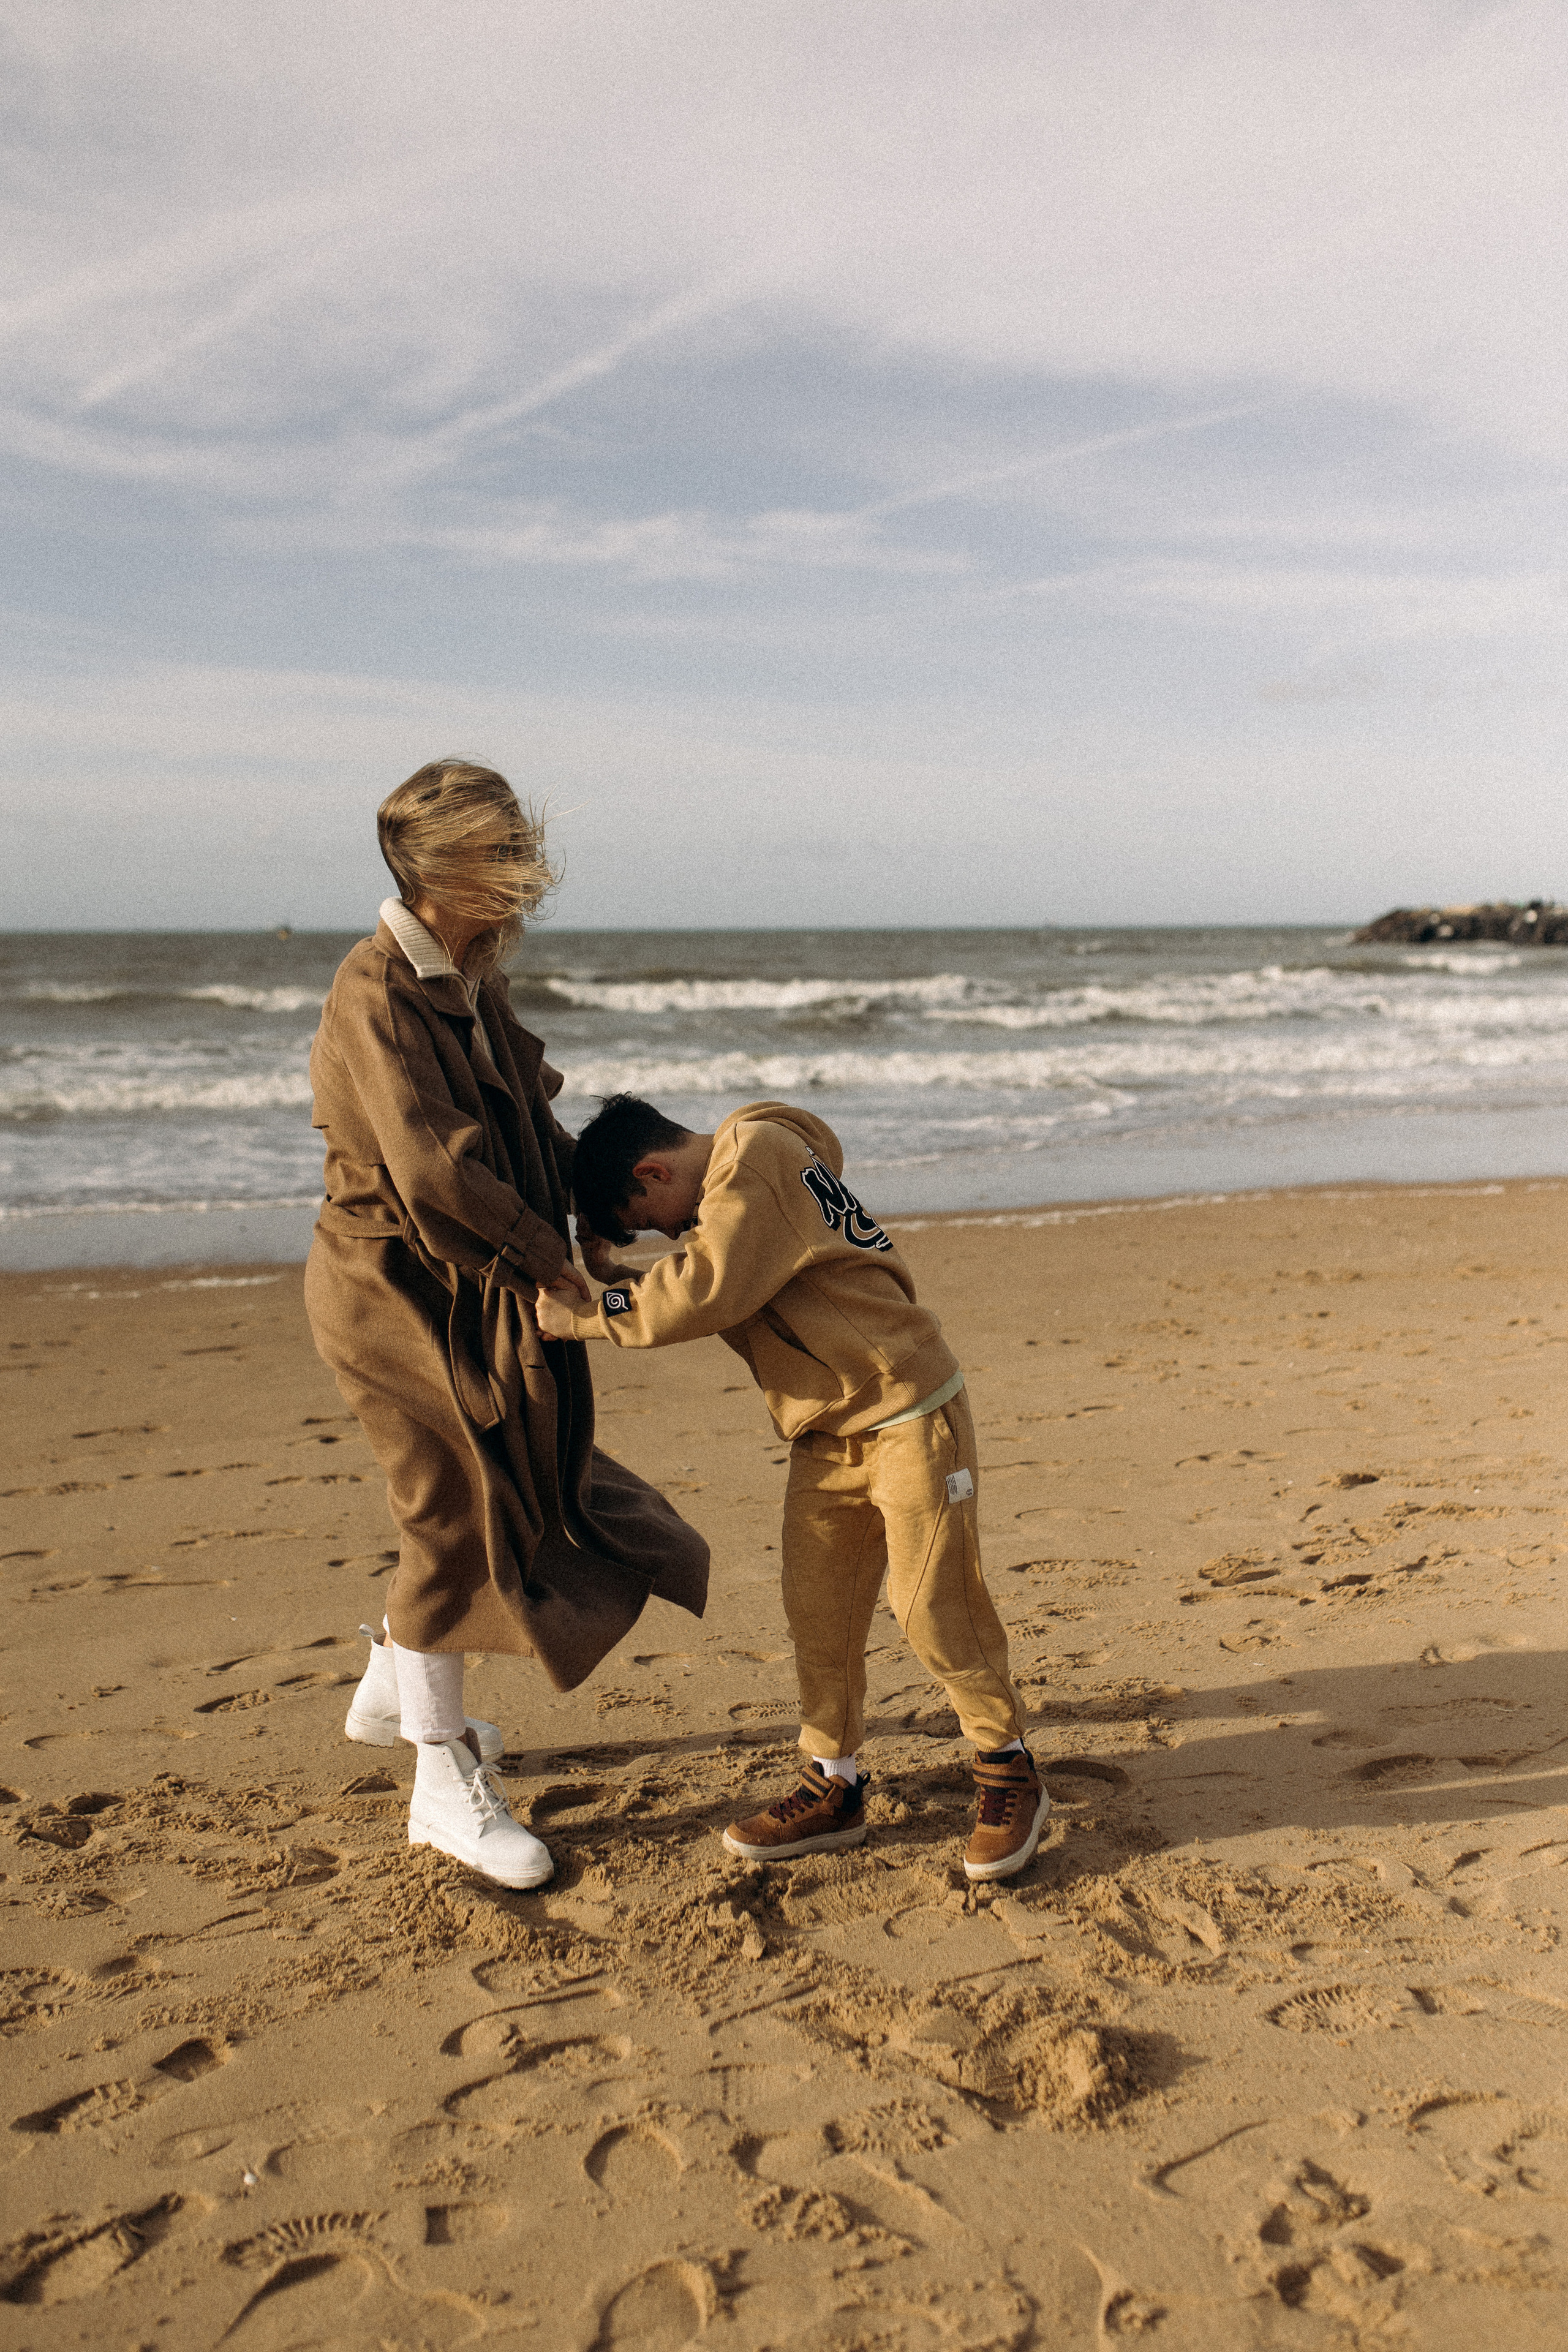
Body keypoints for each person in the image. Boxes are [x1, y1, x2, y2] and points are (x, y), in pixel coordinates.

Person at [304, 766, 709, 1891]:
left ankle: (398, 1678)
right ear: (445, 873)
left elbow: (527, 1114)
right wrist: (547, 1262)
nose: (525, 876)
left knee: (508, 1475)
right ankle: (441, 1779)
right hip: (394, 1290)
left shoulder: (467, 977)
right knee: (457, 1506)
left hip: (471, 1282)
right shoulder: (376, 992)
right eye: (505, 856)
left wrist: (584, 1215)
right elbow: (438, 1170)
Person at [535, 1093, 1045, 1883]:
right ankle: (833, 1785)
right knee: (820, 1610)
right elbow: (721, 1275)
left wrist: (589, 1311)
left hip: (907, 1407)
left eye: (653, 1220)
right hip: (828, 1429)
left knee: (932, 1605)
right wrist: (609, 1273)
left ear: (653, 1170)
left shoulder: (757, 1157)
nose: (669, 1235)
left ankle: (1008, 1767)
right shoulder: (752, 1186)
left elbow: (704, 1291)